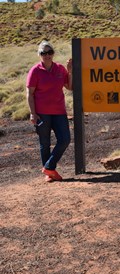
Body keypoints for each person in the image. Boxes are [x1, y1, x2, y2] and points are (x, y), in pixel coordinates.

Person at [26, 40, 72, 182]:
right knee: (44, 143)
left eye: (49, 52)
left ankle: (49, 167)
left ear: (53, 53)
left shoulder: (60, 69)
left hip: (59, 111)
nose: (47, 55)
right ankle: (49, 173)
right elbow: (30, 93)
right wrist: (33, 113)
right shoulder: (35, 70)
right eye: (43, 53)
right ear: (39, 55)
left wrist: (70, 72)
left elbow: (70, 87)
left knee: (65, 140)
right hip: (42, 113)